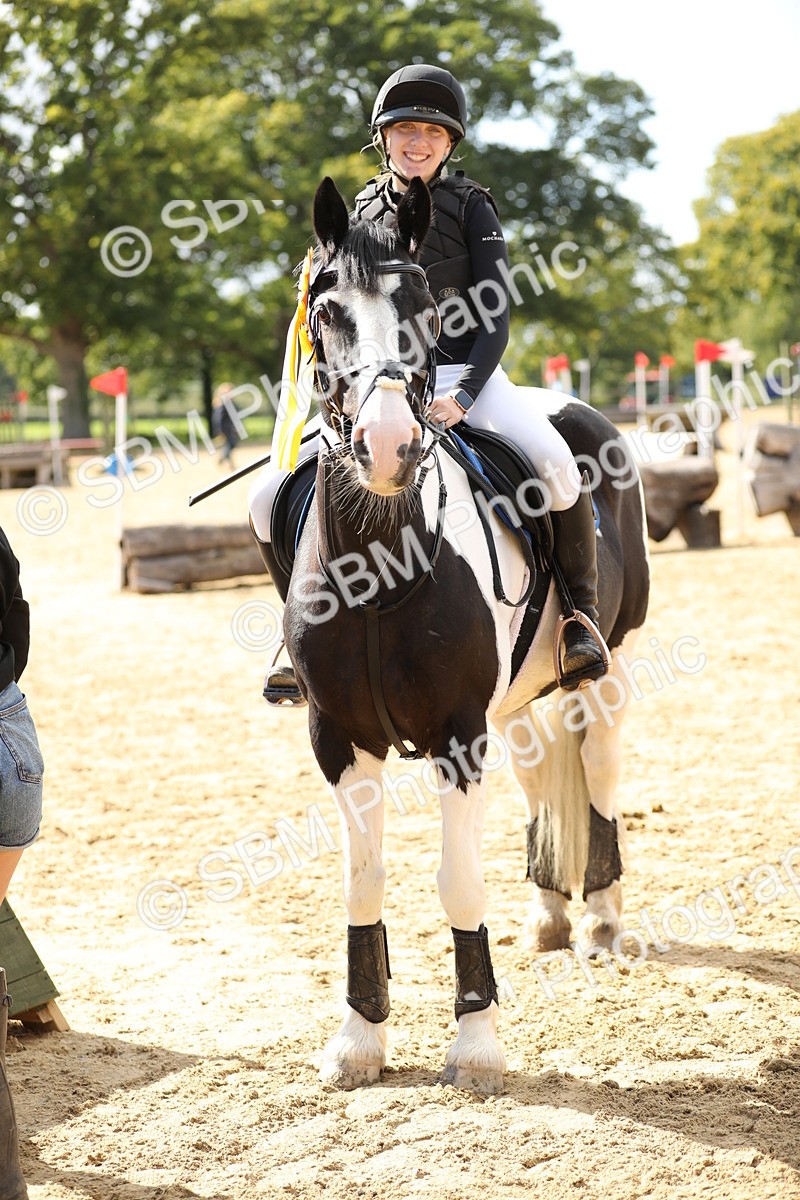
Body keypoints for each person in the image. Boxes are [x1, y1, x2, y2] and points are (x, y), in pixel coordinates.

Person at [249, 63, 607, 703]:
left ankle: (579, 619)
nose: (418, 143)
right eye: (405, 130)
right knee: (266, 498)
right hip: (375, 386)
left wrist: (463, 395)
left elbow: (494, 317)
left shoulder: (473, 207)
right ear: (383, 137)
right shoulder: (356, 211)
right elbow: (335, 318)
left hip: (465, 374)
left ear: (450, 144)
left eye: (433, 134)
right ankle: (296, 633)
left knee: (556, 465)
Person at [0, 526, 44, 1200]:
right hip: (13, 737)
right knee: (271, 500)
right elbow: (18, 615)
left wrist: (463, 409)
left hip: (461, 423)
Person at [211, 383, 241, 470]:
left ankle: (225, 460)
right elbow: (218, 418)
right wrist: (219, 431)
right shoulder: (222, 404)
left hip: (230, 429)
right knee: (230, 444)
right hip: (225, 429)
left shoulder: (230, 403)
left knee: (230, 445)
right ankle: (227, 461)